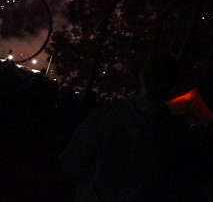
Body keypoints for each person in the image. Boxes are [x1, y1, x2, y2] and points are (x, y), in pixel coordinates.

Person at [60, 52, 193, 201]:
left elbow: (71, 162)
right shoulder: (176, 134)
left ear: (141, 77)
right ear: (173, 86)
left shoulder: (108, 116)